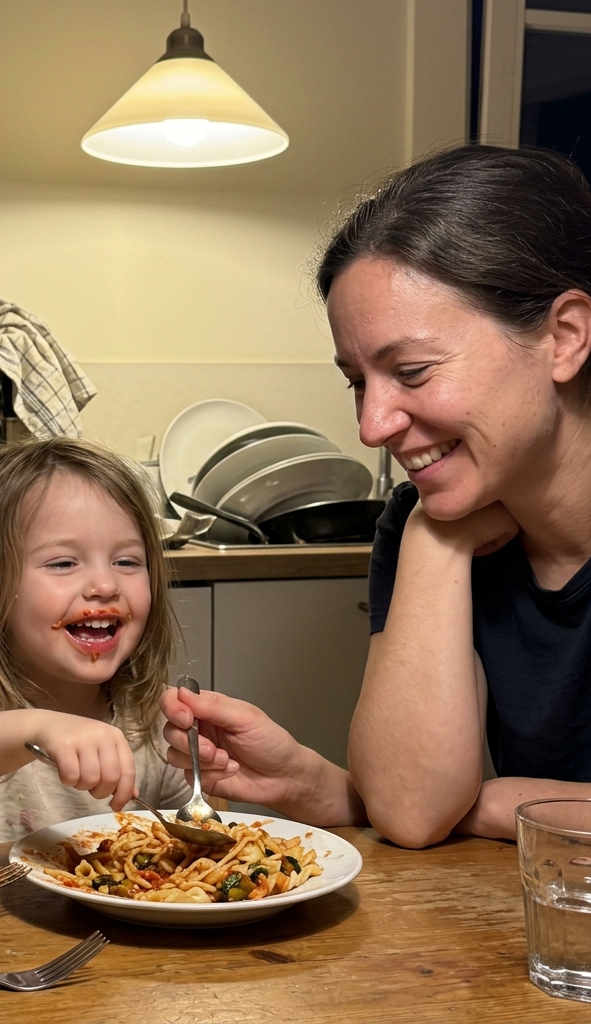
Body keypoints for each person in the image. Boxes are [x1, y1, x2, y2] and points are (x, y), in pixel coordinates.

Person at [163, 145, 591, 849]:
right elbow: (413, 810)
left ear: (563, 337)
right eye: (358, 380)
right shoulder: (428, 518)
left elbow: (451, 808)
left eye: (412, 371)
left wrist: (500, 801)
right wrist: (433, 541)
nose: (371, 427)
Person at [0, 438, 198, 854]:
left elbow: (193, 842)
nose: (105, 586)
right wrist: (38, 730)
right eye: (63, 563)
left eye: (127, 562)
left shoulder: (152, 716)